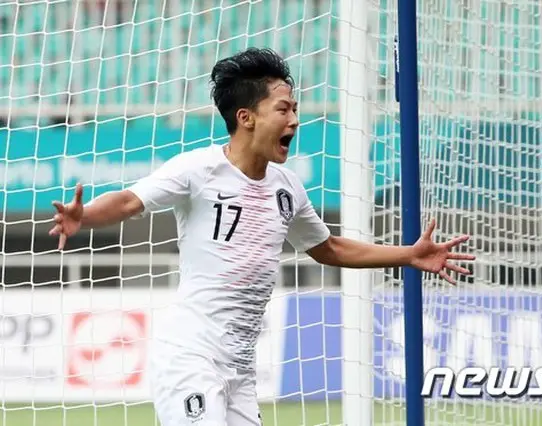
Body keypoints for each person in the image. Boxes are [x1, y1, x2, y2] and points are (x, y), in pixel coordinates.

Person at [48, 47, 475, 426]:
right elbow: (128, 201)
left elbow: (327, 247)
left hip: (240, 366)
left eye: (295, 110)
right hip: (190, 355)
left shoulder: (287, 188)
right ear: (246, 117)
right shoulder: (197, 169)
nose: (294, 119)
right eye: (284, 109)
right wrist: (83, 217)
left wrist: (407, 255)